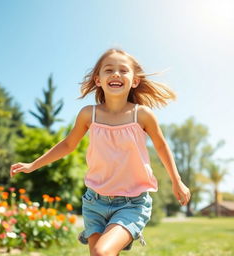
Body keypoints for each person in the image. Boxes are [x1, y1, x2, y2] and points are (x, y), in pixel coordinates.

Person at [10, 48, 191, 256]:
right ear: (98, 80)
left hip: (132, 203)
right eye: (109, 70)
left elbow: (161, 146)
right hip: (94, 202)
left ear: (134, 81)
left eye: (123, 70)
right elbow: (68, 144)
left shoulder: (142, 115)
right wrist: (33, 165)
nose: (116, 74)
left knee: (101, 253)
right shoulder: (89, 114)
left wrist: (177, 181)